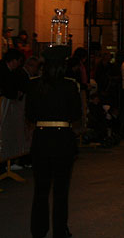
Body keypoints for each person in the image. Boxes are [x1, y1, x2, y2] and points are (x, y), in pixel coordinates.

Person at [26, 45, 81, 238]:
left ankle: (38, 230)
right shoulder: (70, 85)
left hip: (41, 139)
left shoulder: (34, 85)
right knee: (60, 191)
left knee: (40, 190)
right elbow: (76, 115)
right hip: (63, 140)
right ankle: (60, 230)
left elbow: (30, 115)